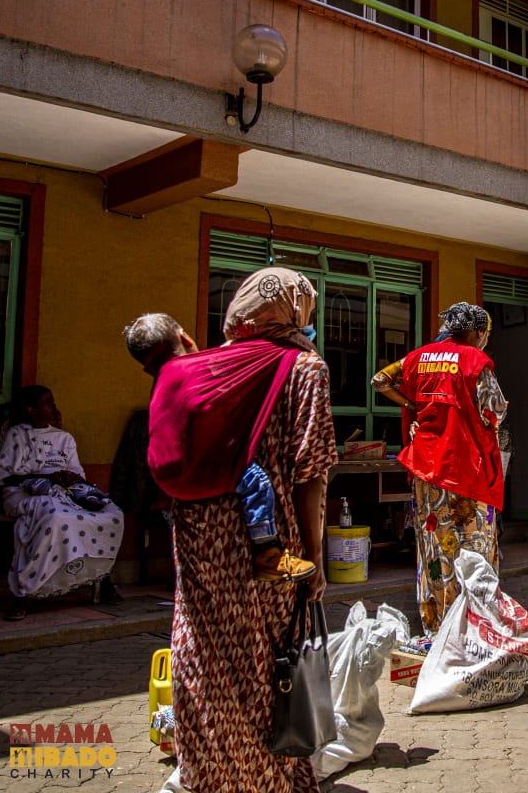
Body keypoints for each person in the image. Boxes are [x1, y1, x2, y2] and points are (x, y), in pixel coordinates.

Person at [164, 267, 334, 793]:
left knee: (205, 655)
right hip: (267, 545)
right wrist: (314, 561)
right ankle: (264, 780)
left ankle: (207, 773)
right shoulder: (305, 369)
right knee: (264, 664)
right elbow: (311, 476)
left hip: (198, 541)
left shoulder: (200, 366)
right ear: (292, 309)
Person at [125, 312, 316, 582]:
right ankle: (268, 552)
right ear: (185, 337)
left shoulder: (160, 381)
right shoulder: (193, 367)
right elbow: (245, 363)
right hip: (203, 472)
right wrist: (290, 342)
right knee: (257, 481)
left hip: (167, 481)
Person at [397, 302, 508, 634]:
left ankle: (436, 628)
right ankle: (471, 628)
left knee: (432, 547)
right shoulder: (476, 360)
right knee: (473, 548)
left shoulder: (418, 358)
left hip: (425, 468)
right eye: (484, 332)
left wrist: (415, 408)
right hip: (464, 469)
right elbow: (495, 411)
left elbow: (380, 380)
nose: (485, 338)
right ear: (475, 332)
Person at [0, 385, 125, 620]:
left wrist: (67, 477)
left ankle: (101, 577)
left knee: (111, 514)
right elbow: (6, 477)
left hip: (64, 492)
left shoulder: (64, 438)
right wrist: (45, 477)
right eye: (48, 402)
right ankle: (23, 593)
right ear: (31, 409)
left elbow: (78, 474)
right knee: (56, 517)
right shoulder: (18, 434)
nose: (55, 407)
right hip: (25, 493)